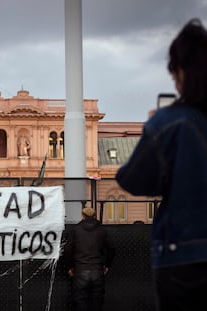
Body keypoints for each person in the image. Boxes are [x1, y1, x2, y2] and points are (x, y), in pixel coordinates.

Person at [116, 18, 207, 311]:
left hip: (184, 258)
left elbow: (132, 180)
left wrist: (155, 129)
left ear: (181, 73)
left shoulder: (169, 124)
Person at [63, 207, 116, 311]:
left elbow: (68, 250)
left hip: (80, 270)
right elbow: (112, 249)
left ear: (82, 216)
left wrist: (69, 267)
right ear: (94, 215)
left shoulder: (75, 230)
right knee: (97, 303)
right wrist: (107, 265)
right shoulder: (101, 230)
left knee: (80, 302)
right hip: (97, 270)